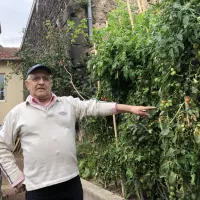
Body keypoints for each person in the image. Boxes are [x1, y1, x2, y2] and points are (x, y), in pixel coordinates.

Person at [0, 64, 156, 200]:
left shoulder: (67, 104)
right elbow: (1, 145)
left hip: (71, 183)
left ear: (51, 83)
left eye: (45, 78)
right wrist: (16, 177)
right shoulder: (17, 113)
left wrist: (129, 108)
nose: (41, 82)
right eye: (36, 78)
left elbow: (94, 107)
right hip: (38, 189)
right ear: (27, 84)